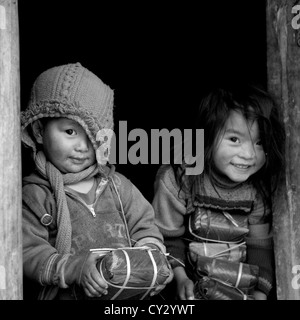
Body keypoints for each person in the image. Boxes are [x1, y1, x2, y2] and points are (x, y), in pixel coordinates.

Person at [21, 62, 172, 300]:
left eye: (93, 137)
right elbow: (26, 252)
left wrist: (152, 259)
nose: (83, 147)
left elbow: (145, 227)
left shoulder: (118, 186)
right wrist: (74, 268)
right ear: (39, 131)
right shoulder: (36, 195)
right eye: (70, 131)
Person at [152, 85, 285, 300]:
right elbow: (166, 238)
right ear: (207, 137)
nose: (249, 154)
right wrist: (181, 279)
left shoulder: (257, 191)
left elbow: (260, 247)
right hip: (187, 289)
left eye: (260, 142)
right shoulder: (181, 179)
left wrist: (259, 295)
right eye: (234, 139)